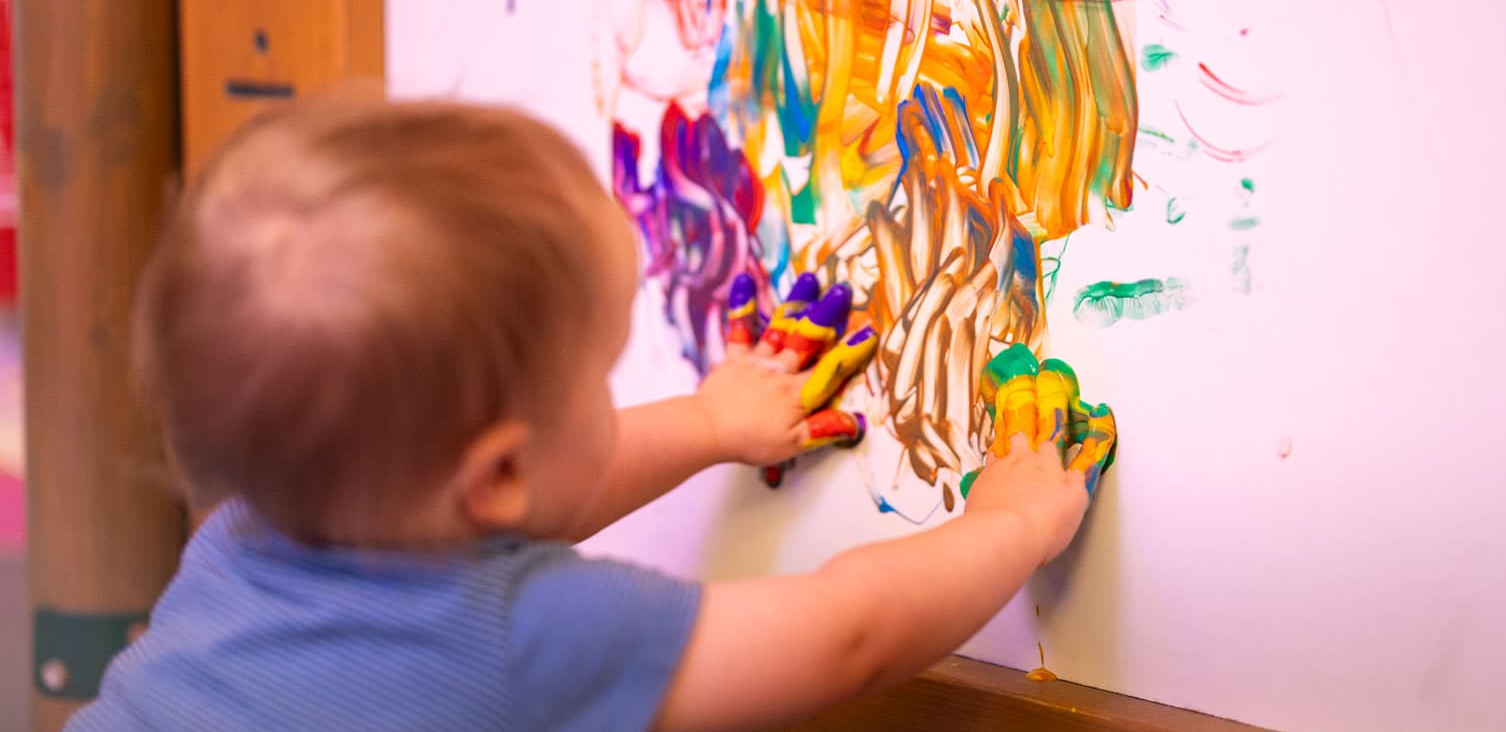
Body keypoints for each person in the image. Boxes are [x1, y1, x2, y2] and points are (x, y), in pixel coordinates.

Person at [70, 97, 1094, 731]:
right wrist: (1010, 524)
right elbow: (848, 637)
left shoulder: (241, 543)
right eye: (600, 376)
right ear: (499, 473)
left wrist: (706, 423)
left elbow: (507, 500)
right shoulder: (530, 637)